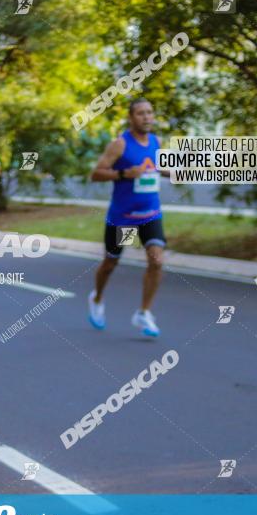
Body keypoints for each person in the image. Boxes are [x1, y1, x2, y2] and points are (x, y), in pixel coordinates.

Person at [88, 98, 167, 337]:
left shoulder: (157, 141)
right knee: (110, 264)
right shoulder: (120, 145)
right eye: (141, 113)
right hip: (124, 219)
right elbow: (96, 174)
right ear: (131, 118)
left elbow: (158, 166)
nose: (147, 117)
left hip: (150, 215)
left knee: (157, 261)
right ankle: (97, 298)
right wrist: (124, 173)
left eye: (150, 112)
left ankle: (143, 312)